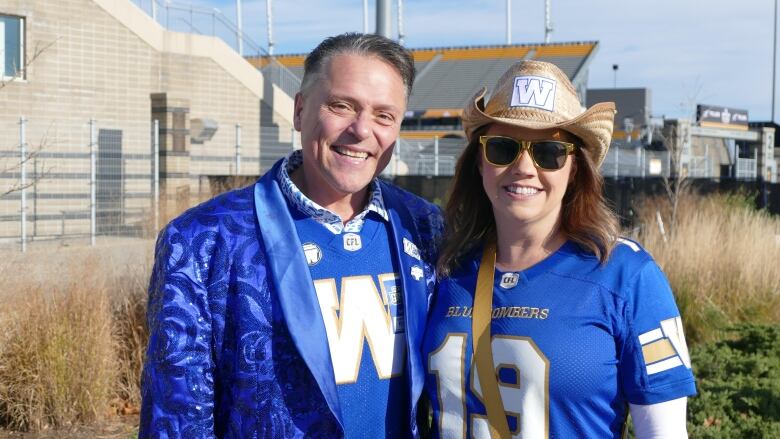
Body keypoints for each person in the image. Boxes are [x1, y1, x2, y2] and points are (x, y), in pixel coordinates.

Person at [140, 33, 443, 438]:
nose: (361, 130)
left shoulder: (425, 226)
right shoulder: (202, 241)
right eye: (342, 106)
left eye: (384, 116)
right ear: (301, 110)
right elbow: (177, 419)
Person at [422, 61, 696, 438]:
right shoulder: (444, 266)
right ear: (479, 163)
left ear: (576, 169)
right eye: (502, 148)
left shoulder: (627, 277)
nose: (523, 167)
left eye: (549, 152)